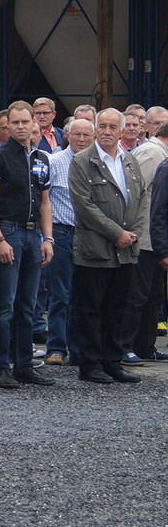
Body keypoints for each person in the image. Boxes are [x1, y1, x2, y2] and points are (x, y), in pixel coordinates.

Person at [0, 100, 55, 390]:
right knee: (5, 304)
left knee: (28, 305)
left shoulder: (42, 158)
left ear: (34, 122)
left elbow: (45, 202)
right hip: (8, 231)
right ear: (7, 125)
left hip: (34, 235)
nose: (21, 127)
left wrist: (48, 238)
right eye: (15, 122)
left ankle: (24, 365)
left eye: (25, 121)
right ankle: (1, 367)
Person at [71, 110, 146, 385]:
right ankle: (91, 365)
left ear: (122, 131)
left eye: (112, 127)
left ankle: (113, 362)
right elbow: (84, 205)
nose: (106, 131)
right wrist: (117, 234)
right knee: (91, 309)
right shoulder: (82, 161)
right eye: (101, 126)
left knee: (118, 308)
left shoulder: (130, 161)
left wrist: (133, 234)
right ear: (95, 129)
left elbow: (141, 200)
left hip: (125, 251)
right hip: (94, 250)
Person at [43, 117, 96, 367]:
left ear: (93, 138)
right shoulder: (54, 162)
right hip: (62, 233)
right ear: (67, 136)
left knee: (82, 295)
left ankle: (78, 349)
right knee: (60, 294)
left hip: (90, 235)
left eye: (87, 135)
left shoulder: (97, 164)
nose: (82, 140)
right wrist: (47, 237)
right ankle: (56, 347)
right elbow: (44, 200)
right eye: (77, 135)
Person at [121, 112, 168, 362]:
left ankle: (145, 346)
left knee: (153, 296)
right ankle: (125, 345)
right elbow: (134, 192)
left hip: (155, 239)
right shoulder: (153, 153)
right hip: (144, 238)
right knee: (137, 295)